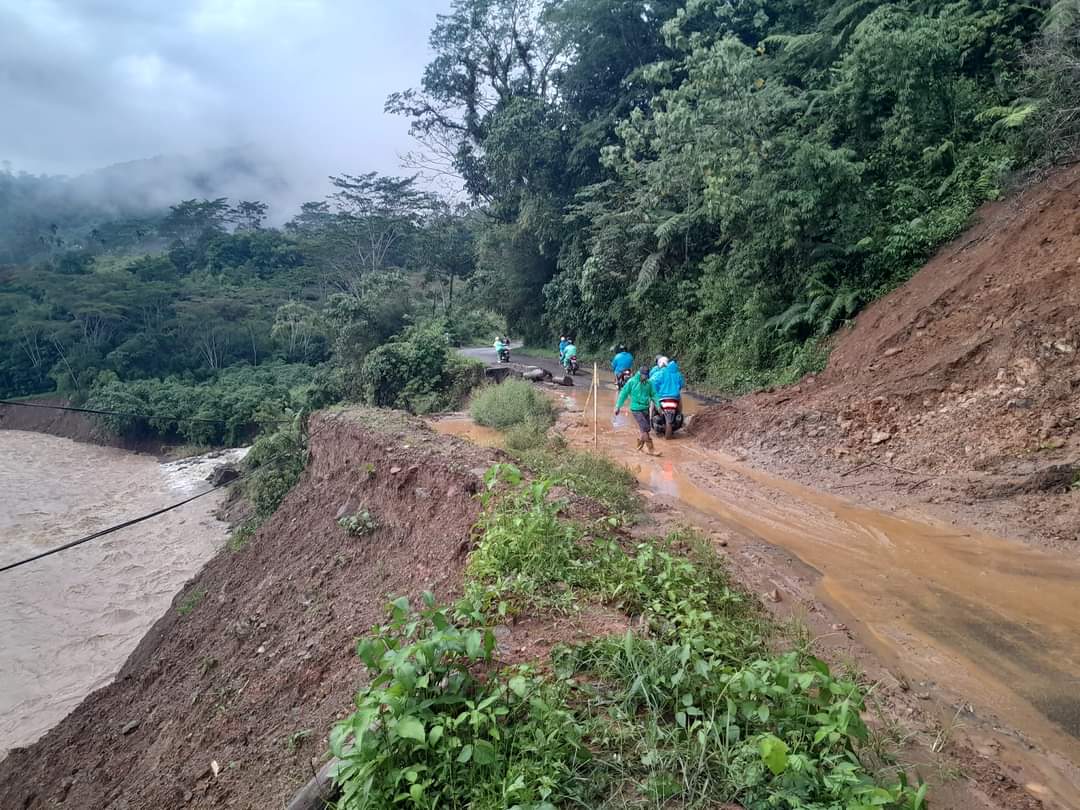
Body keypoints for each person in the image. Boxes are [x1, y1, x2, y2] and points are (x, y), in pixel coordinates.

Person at [614, 366, 662, 455]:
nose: (646, 377)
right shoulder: (632, 382)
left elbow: (654, 394)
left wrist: (658, 406)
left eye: (647, 376)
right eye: (644, 375)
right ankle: (651, 449)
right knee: (644, 429)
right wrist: (618, 406)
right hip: (636, 409)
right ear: (640, 374)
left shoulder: (649, 383)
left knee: (646, 429)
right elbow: (623, 393)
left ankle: (640, 442)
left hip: (645, 408)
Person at [654, 358, 685, 438]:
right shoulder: (678, 374)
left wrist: (657, 391)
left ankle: (651, 418)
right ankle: (678, 415)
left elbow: (654, 384)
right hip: (675, 398)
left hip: (662, 398)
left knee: (652, 405)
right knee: (680, 407)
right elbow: (681, 385)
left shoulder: (661, 372)